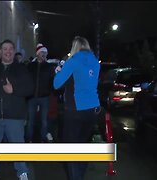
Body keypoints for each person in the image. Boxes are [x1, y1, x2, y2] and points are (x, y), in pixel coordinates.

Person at [0, 39, 34, 180]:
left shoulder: (22, 68)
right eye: (5, 49)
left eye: (10, 49)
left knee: (17, 146)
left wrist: (14, 89)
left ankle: (22, 171)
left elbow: (30, 88)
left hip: (15, 116)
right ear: (0, 52)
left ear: (13, 51)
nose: (7, 52)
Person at [54, 36, 101, 180]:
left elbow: (56, 84)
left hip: (75, 110)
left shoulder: (72, 61)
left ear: (74, 47)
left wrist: (58, 72)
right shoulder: (95, 62)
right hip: (92, 110)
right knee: (83, 146)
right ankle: (79, 175)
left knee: (71, 149)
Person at [26, 43, 55, 143]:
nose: (44, 54)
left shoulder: (49, 67)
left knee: (44, 121)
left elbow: (53, 80)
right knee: (30, 121)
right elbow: (26, 80)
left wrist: (51, 90)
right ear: (37, 54)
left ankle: (43, 140)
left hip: (44, 97)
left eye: (45, 53)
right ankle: (28, 140)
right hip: (32, 97)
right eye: (42, 52)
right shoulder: (30, 66)